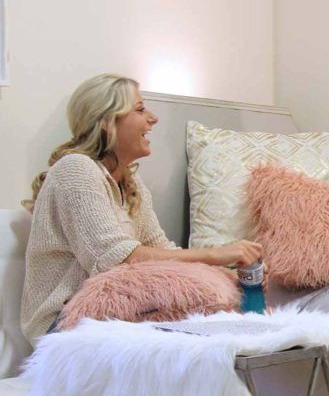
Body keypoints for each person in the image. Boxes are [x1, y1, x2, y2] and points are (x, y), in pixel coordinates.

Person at [20, 74, 262, 343]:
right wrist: (216, 255)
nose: (153, 118)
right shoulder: (75, 169)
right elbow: (118, 260)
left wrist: (231, 278)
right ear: (106, 122)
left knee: (218, 314)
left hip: (113, 317)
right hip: (64, 326)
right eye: (139, 109)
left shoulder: (131, 183)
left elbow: (162, 252)